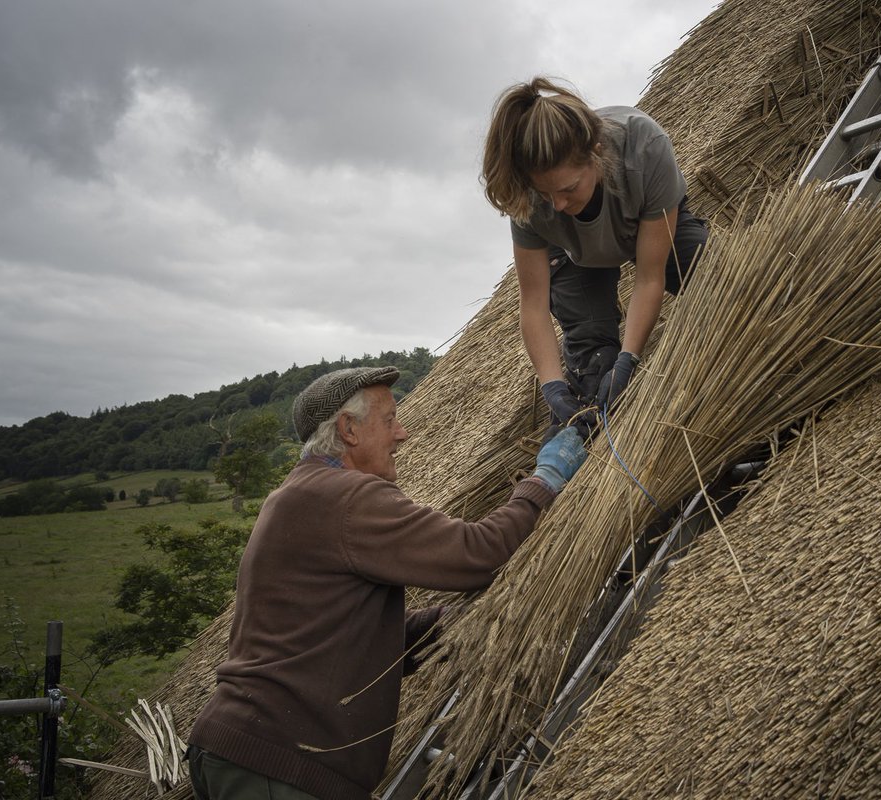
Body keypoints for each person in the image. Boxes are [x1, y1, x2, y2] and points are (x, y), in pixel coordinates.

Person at [186, 366, 587, 800]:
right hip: (281, 765)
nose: (403, 434)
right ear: (349, 430)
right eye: (390, 420)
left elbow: (332, 637)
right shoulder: (347, 497)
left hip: (249, 753)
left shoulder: (299, 495)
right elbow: (480, 553)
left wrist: (444, 624)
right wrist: (544, 481)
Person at [482, 76, 708, 429]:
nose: (557, 204)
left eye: (568, 189)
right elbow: (534, 303)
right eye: (547, 194)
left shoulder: (643, 148)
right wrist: (552, 386)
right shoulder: (528, 195)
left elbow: (650, 277)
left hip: (646, 219)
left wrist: (629, 359)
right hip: (572, 254)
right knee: (593, 370)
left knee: (712, 278)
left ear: (596, 152)